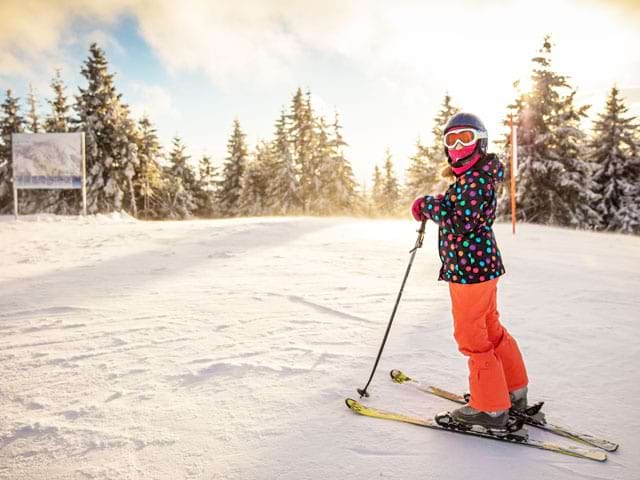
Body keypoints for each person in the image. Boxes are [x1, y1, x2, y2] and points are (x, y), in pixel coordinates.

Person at [411, 112, 529, 434]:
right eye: (452, 139)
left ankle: (490, 408)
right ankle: (512, 391)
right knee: (490, 329)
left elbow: (461, 221)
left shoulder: (476, 179)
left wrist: (428, 206)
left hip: (470, 272)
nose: (459, 145)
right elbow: (459, 209)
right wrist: (436, 202)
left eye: (466, 137)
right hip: (479, 269)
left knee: (472, 336)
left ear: (480, 141)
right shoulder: (474, 178)